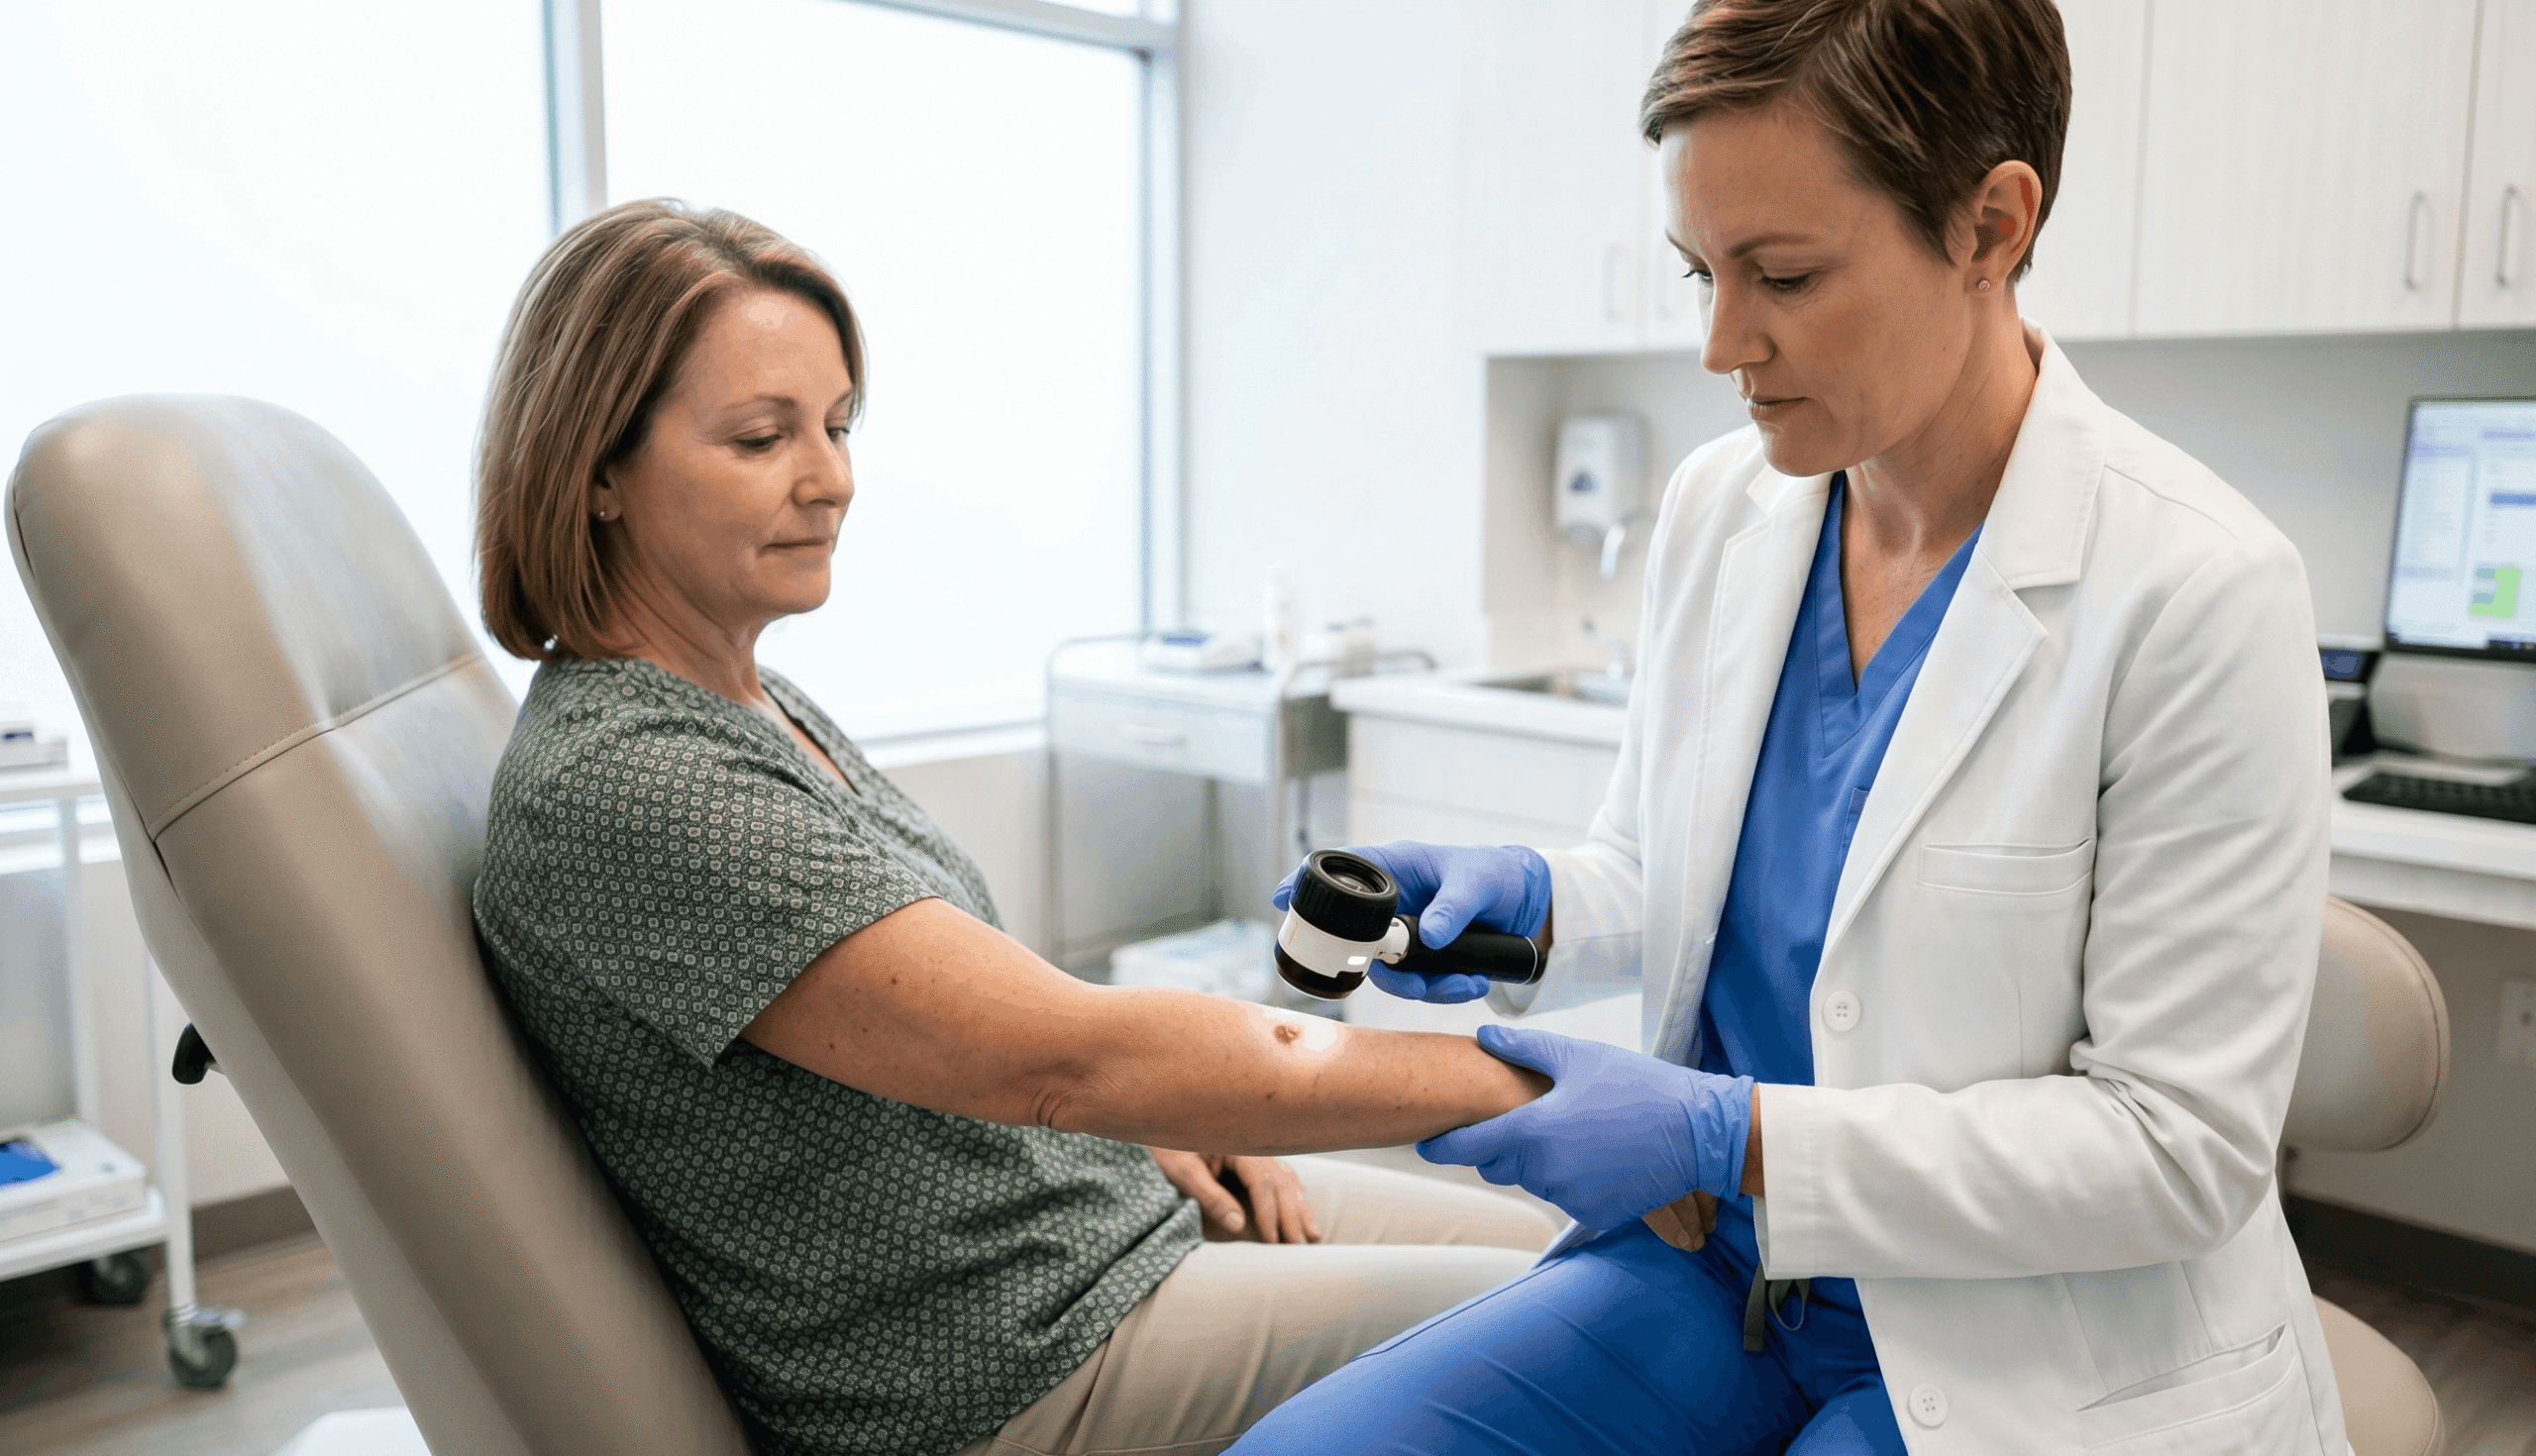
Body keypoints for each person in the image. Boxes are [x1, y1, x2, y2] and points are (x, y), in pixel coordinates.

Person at [1235, 2, 2342, 1453]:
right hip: (1728, 1269)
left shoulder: (2200, 590)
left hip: (2030, 1338)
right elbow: (1668, 867)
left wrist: (1731, 1133)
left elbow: (2177, 1150)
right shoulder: (1725, 508)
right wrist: (1530, 900)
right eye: (1704, 270)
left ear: (1993, 225)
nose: (1718, 343)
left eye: (1785, 274)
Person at [467, 199, 1562, 1456]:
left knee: (1565, 1251)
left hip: (1099, 1232)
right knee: (1570, 1329)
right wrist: (1539, 1089)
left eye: (836, 425)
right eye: (762, 437)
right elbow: (1061, 1060)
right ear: (595, 471)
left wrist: (1150, 1121)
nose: (831, 480)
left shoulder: (749, 700)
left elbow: (978, 1026)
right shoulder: (634, 783)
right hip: (1004, 1366)